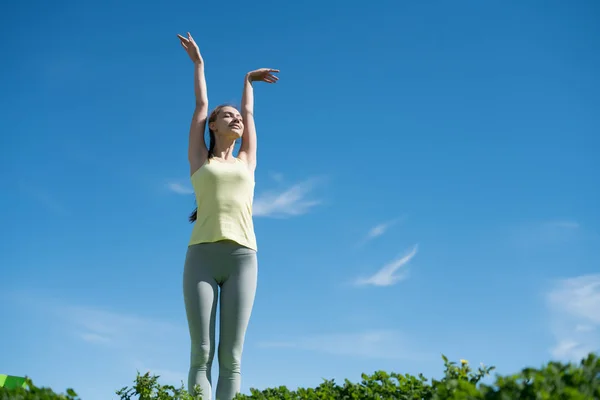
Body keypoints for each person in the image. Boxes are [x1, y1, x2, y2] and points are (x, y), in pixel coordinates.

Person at [176, 32, 279, 400]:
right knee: (201, 352)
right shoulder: (199, 161)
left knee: (231, 356)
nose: (235, 118)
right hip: (201, 257)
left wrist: (248, 82)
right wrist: (199, 65)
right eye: (227, 116)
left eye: (236, 116)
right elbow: (201, 104)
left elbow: (250, 112)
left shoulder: (247, 162)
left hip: (243, 258)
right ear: (214, 126)